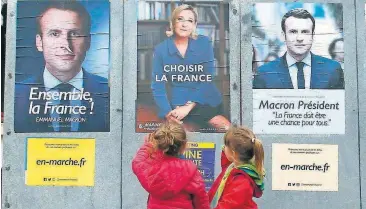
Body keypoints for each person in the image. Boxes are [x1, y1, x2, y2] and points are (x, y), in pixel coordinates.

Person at [14, 2, 109, 132]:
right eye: (54, 34)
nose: (65, 45)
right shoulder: (16, 95)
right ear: (39, 42)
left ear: (88, 42)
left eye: (74, 34)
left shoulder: (109, 92)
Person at [151, 4, 230, 132]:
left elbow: (207, 80)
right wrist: (167, 113)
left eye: (190, 20)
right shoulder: (161, 50)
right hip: (178, 104)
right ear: (173, 22)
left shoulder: (204, 43)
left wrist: (187, 108)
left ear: (194, 25)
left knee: (227, 130)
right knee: (183, 138)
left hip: (205, 100)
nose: (184, 24)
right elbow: (157, 86)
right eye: (180, 19)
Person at [253, 8, 344, 89]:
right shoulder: (264, 73)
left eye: (305, 32)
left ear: (313, 35)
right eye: (293, 32)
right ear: (283, 35)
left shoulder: (333, 69)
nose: (299, 38)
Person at [132, 122, 210, 209]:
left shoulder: (151, 166)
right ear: (184, 145)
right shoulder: (190, 169)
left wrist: (148, 146)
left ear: (158, 144)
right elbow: (201, 200)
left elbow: (138, 162)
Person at [208, 126, 265, 209]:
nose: (223, 147)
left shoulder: (242, 180)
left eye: (226, 146)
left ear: (233, 154)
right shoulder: (233, 167)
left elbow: (228, 205)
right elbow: (226, 163)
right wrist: (226, 151)